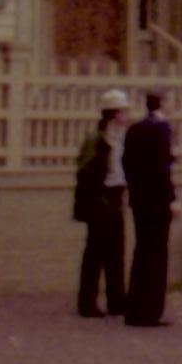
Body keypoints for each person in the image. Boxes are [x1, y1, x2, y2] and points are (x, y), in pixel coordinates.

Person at [119, 90, 180, 327]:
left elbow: (127, 162)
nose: (174, 105)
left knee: (141, 252)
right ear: (162, 103)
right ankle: (150, 310)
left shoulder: (135, 128)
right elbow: (161, 168)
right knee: (156, 254)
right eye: (171, 100)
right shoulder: (162, 129)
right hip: (157, 201)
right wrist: (171, 198)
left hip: (139, 199)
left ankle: (135, 307)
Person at [71, 88, 133, 318]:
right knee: (95, 252)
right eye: (123, 110)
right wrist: (95, 199)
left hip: (116, 195)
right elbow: (86, 172)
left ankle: (117, 299)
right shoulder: (97, 140)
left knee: (116, 251)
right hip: (101, 198)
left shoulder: (121, 137)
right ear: (114, 113)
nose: (127, 115)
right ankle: (87, 302)